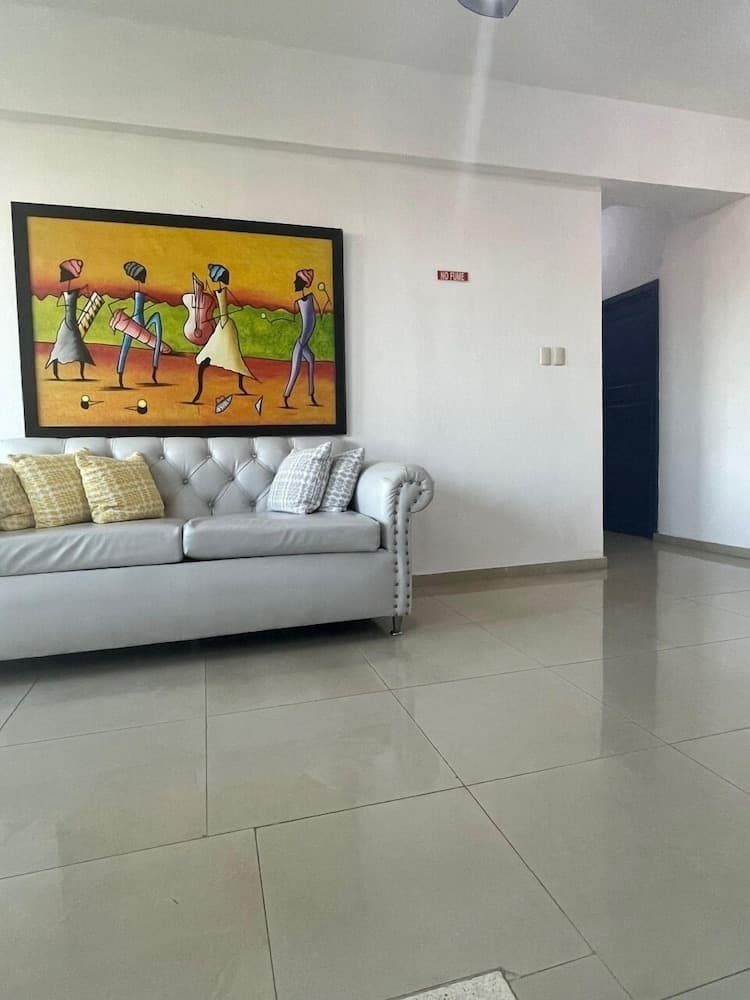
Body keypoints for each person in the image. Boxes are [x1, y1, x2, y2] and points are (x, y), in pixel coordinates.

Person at [192, 263, 259, 404]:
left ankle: (201, 392)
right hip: (223, 326)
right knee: (217, 358)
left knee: (234, 357)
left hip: (225, 326)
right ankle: (200, 392)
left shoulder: (222, 290)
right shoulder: (220, 290)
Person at [111, 261, 164, 388]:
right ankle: (121, 377)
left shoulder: (138, 292)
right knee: (124, 348)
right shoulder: (137, 292)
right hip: (134, 323)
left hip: (137, 322)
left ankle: (152, 370)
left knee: (125, 348)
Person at [46, 258, 95, 381]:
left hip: (71, 323)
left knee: (78, 349)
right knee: (61, 348)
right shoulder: (70, 292)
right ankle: (58, 373)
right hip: (68, 323)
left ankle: (80, 374)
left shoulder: (73, 291)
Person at [282, 268, 321, 408]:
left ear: (304, 283)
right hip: (301, 342)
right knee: (296, 369)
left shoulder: (308, 299)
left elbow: (314, 317)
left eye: (297, 280)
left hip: (302, 342)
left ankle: (311, 395)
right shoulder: (300, 301)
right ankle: (286, 396)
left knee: (307, 362)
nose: (294, 282)